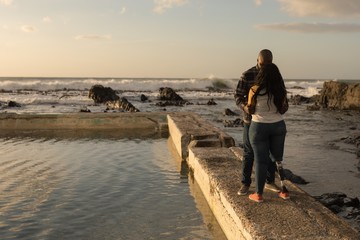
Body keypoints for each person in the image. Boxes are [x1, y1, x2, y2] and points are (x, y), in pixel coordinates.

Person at [234, 49, 279, 196]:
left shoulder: (275, 74)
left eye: (268, 64)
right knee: (249, 153)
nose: (265, 66)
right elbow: (238, 96)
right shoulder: (247, 75)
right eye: (263, 63)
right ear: (257, 60)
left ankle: (269, 182)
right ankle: (245, 184)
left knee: (271, 153)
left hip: (271, 120)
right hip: (250, 121)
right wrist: (245, 107)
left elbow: (280, 94)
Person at [245, 63, 289, 203]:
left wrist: (248, 108)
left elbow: (250, 109)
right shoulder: (280, 90)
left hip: (259, 127)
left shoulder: (254, 89)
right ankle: (284, 191)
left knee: (260, 160)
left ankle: (258, 194)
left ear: (261, 75)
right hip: (278, 126)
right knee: (278, 159)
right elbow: (283, 109)